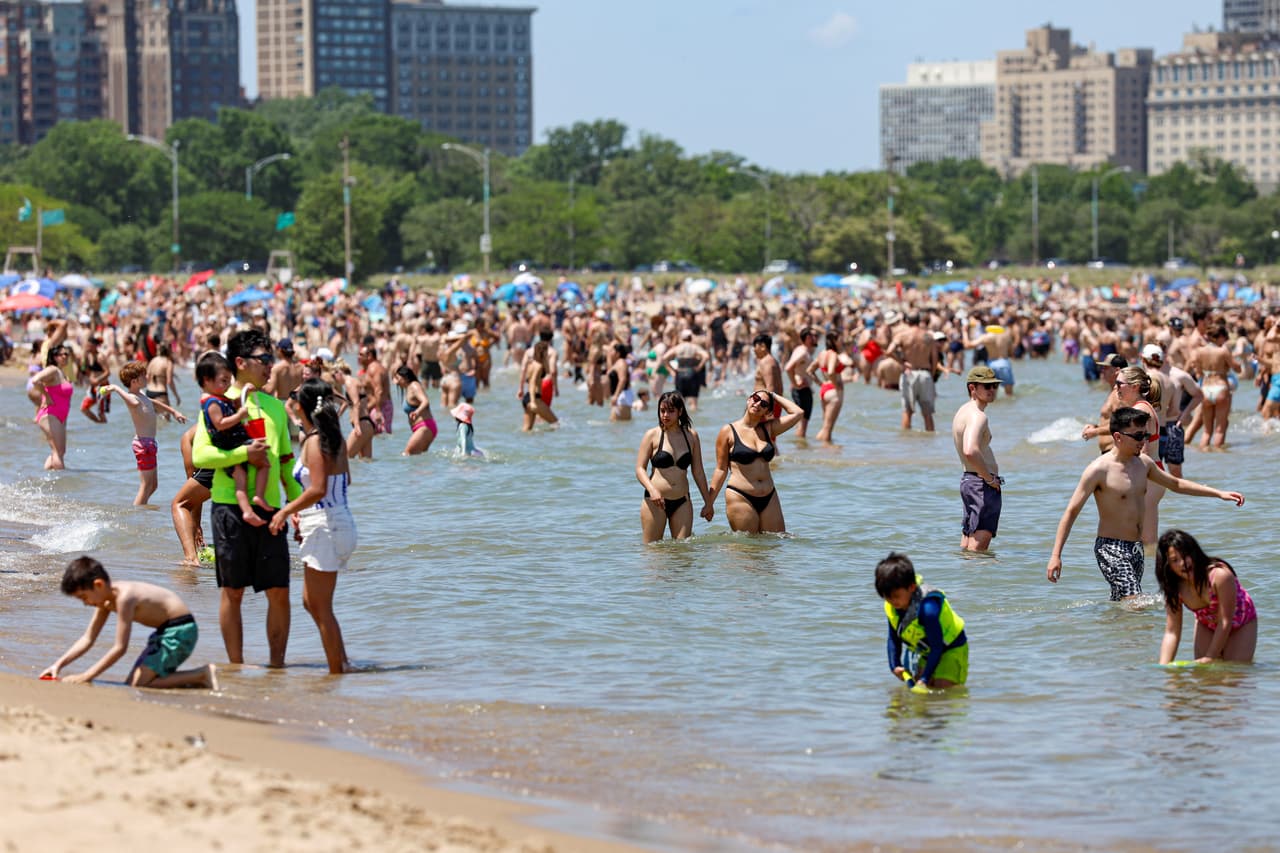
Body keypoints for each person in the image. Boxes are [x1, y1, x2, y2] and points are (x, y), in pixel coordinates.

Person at [1046, 407, 1244, 602]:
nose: (1144, 441)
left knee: (1123, 604)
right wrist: (1056, 556)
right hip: (1110, 548)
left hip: (1136, 548)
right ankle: (1144, 634)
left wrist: (1219, 493)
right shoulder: (1098, 470)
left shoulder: (1144, 464)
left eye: (1145, 435)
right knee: (1136, 601)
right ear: (1118, 436)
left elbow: (1176, 484)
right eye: (1138, 436)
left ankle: (1112, 631)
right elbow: (1071, 512)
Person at [192, 329, 301, 668]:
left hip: (271, 511)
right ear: (240, 363)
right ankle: (236, 667)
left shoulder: (276, 408)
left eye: (271, 359)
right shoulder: (218, 401)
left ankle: (277, 668)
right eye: (263, 359)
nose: (270, 366)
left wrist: (297, 508)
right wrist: (241, 453)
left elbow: (285, 465)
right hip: (228, 509)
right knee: (233, 591)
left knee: (279, 591)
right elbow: (201, 456)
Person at [269, 379, 355, 674]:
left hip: (326, 524)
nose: (290, 400)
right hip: (333, 520)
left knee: (320, 605)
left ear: (302, 406)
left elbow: (317, 489)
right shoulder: (332, 438)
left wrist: (286, 511)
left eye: (294, 397)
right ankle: (342, 663)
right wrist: (301, 514)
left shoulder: (315, 441)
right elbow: (343, 482)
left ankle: (337, 674)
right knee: (312, 602)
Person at [40, 556, 217, 689]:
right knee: (133, 682)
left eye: (84, 597)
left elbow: (120, 648)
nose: (86, 603)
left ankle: (201, 675)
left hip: (180, 630)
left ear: (99, 585)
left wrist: (86, 676)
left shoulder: (125, 597)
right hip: (163, 633)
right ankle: (193, 685)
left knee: (138, 684)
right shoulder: (104, 601)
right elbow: (88, 638)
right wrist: (58, 665)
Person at [707, 389, 804, 533]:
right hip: (740, 495)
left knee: (775, 544)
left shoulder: (769, 428)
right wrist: (709, 503)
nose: (758, 403)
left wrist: (774, 395)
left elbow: (798, 413)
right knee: (748, 550)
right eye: (756, 398)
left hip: (769, 496)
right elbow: (721, 469)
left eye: (764, 403)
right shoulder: (728, 431)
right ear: (748, 399)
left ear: (767, 411)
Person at [1155, 530, 1257, 664]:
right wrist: (1164, 668)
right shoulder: (1174, 588)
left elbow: (1225, 622)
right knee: (1205, 678)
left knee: (1232, 674)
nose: (1182, 563)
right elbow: (1172, 632)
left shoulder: (1219, 576)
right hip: (1206, 623)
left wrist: (1210, 656)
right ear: (1168, 566)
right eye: (1175, 560)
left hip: (1240, 621)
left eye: (1186, 556)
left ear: (1194, 553)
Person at [196, 353, 274, 526]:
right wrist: (239, 416)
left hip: (232, 443)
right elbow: (220, 424)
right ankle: (256, 499)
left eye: (229, 380)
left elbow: (235, 404)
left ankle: (250, 508)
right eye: (223, 381)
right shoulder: (211, 403)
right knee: (260, 465)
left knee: (243, 477)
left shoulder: (220, 398)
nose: (227, 385)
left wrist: (246, 391)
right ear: (207, 380)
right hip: (229, 443)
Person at [874, 552, 968, 690]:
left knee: (942, 689)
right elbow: (893, 638)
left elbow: (937, 647)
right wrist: (895, 665)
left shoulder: (927, 609)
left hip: (951, 648)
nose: (892, 601)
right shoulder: (892, 607)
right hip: (927, 651)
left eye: (896, 596)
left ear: (911, 587)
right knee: (922, 692)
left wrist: (924, 679)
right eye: (886, 597)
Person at [102, 361, 188, 505]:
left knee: (153, 485)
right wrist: (116, 388)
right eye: (143, 376)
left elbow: (153, 402)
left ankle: (143, 511)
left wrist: (173, 411)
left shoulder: (141, 395)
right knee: (145, 485)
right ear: (134, 381)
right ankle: (136, 514)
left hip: (149, 444)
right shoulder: (132, 398)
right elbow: (132, 402)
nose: (147, 377)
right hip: (143, 445)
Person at [635, 391, 714, 543]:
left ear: (680, 411)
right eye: (662, 411)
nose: (665, 415)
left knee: (682, 554)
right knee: (653, 554)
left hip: (682, 502)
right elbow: (639, 469)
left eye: (670, 411)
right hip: (655, 502)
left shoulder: (691, 436)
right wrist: (652, 490)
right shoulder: (652, 435)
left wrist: (708, 503)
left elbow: (698, 472)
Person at [951, 366, 1003, 552]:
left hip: (969, 481)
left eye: (994, 386)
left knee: (967, 545)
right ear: (972, 388)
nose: (992, 390)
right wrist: (990, 479)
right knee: (978, 552)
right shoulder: (978, 416)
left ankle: (966, 581)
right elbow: (970, 450)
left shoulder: (963, 411)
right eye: (986, 386)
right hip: (981, 484)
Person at [1190, 322, 1239, 450]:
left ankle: (1205, 455)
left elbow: (1198, 372)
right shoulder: (1223, 351)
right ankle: (1220, 459)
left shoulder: (1200, 351)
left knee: (1207, 431)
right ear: (1219, 336)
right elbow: (1236, 368)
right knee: (1220, 429)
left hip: (1206, 389)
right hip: (1221, 387)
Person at [889, 313, 940, 431]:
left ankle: (906, 445)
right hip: (925, 373)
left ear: (907, 321)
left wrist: (902, 362)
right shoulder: (928, 336)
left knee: (907, 411)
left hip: (909, 373)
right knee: (928, 413)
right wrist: (931, 375)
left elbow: (889, 351)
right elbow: (935, 358)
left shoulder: (902, 335)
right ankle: (930, 445)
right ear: (919, 321)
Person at [172, 425, 212, 567]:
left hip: (218, 461)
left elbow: (193, 486)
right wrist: (196, 525)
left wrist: (196, 525)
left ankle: (191, 559)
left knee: (179, 504)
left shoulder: (187, 439)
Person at [29, 344, 74, 469]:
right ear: (54, 357)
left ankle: (48, 478)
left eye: (67, 354)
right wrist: (46, 396)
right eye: (62, 354)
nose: (65, 357)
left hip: (61, 416)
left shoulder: (62, 373)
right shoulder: (52, 370)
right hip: (50, 414)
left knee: (59, 452)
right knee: (57, 452)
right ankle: (62, 484)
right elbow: (35, 380)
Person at [1080, 353, 1128, 454]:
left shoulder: (1118, 395)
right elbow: (1111, 421)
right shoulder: (1113, 392)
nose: (1101, 371)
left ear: (1117, 371)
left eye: (1105, 368)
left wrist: (1095, 432)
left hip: (1114, 451)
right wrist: (1096, 427)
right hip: (1109, 451)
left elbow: (1121, 425)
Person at [806, 331, 844, 444]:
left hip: (825, 389)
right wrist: (836, 385)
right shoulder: (833, 354)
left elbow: (810, 370)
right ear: (834, 341)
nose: (841, 342)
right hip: (833, 391)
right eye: (840, 339)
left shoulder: (822, 354)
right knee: (828, 427)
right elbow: (831, 371)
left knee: (825, 425)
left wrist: (820, 384)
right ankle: (826, 450)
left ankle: (818, 447)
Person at [393, 366, 437, 455]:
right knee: (418, 461)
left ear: (405, 377)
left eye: (398, 378)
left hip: (425, 427)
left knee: (406, 454)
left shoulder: (414, 386)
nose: (396, 382)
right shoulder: (408, 389)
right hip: (420, 428)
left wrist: (417, 412)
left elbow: (425, 401)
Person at [783, 327, 817, 437]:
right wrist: (795, 383)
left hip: (803, 390)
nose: (816, 338)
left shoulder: (802, 350)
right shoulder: (802, 352)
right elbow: (788, 367)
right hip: (801, 390)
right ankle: (802, 450)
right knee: (803, 424)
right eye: (814, 336)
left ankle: (800, 450)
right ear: (808, 338)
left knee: (801, 423)